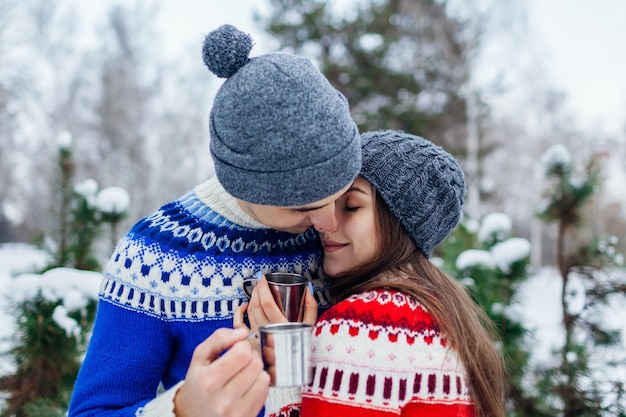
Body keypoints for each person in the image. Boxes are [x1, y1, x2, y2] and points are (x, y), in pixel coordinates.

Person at [68, 24, 361, 417]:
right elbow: (93, 411)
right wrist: (180, 410)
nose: (329, 223)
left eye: (340, 196)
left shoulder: (357, 227)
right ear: (242, 183)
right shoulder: (156, 256)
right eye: (301, 207)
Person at [260, 130, 506, 417]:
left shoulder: (364, 326)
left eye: (351, 206)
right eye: (328, 203)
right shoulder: (442, 310)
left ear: (399, 224)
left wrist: (284, 376)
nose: (326, 223)